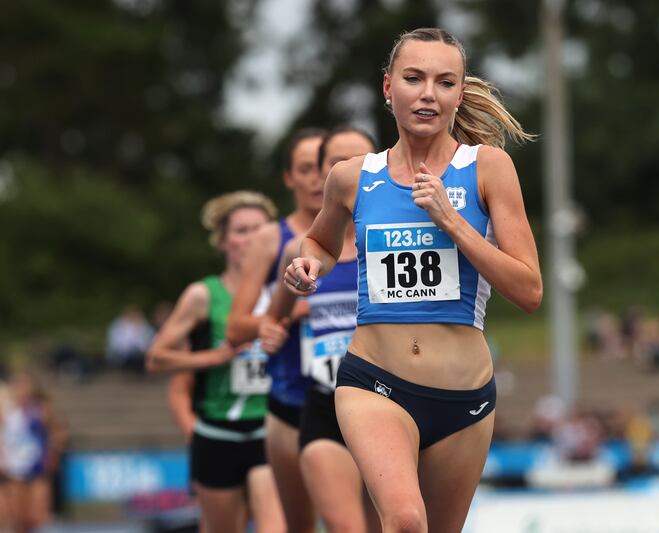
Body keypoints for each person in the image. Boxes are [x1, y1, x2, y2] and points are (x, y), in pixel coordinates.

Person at [286, 28, 542, 533]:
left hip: (463, 398)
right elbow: (319, 242)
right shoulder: (352, 176)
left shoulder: (488, 169)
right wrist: (308, 264)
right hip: (373, 382)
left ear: (459, 94)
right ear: (388, 87)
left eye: (444, 82)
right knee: (404, 520)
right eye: (413, 79)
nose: (428, 94)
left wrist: (453, 223)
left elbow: (529, 290)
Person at [261, 127, 379, 533]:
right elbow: (272, 318)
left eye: (360, 161)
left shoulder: (395, 239)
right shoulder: (300, 249)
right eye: (337, 163)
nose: (350, 170)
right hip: (324, 403)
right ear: (325, 174)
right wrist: (274, 328)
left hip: (389, 402)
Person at [146, 191, 285, 533]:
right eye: (241, 230)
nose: (251, 238)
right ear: (223, 241)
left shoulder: (283, 291)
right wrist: (213, 356)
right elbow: (156, 359)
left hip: (270, 428)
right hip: (218, 432)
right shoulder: (204, 295)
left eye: (260, 229)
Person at [226, 128, 327, 533]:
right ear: (289, 178)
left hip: (361, 397)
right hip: (292, 402)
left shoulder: (365, 230)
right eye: (305, 169)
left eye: (324, 166)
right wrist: (292, 313)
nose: (317, 178)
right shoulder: (271, 240)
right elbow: (237, 327)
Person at [1, 372, 67, 533]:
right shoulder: (6, 411)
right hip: (13, 468)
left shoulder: (41, 409)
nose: (22, 391)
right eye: (19, 387)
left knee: (37, 516)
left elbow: (58, 432)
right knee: (16, 516)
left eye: (26, 387)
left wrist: (54, 452)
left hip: (37, 467)